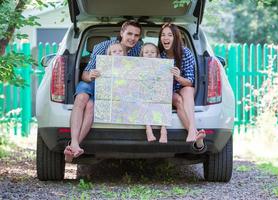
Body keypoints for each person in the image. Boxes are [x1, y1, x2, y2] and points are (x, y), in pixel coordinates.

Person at [64, 20, 142, 162]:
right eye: (129, 33)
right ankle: (74, 144)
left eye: (136, 35)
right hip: (93, 82)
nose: (132, 38)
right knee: (81, 98)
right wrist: (92, 74)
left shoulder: (139, 49)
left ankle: (73, 146)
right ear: (121, 33)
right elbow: (85, 75)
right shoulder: (103, 47)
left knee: (90, 106)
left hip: (114, 89)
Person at [158, 23, 206, 149]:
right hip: (169, 92)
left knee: (188, 90)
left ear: (176, 38)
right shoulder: (160, 56)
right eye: (163, 35)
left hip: (184, 86)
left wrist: (178, 77)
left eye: (170, 35)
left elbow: (190, 82)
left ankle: (192, 131)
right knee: (178, 100)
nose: (165, 38)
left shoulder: (186, 53)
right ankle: (196, 135)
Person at [140, 43, 168, 143]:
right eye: (146, 52)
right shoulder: (138, 66)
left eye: (152, 52)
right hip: (145, 94)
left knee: (164, 104)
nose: (149, 54)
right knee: (144, 105)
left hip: (159, 93)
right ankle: (148, 129)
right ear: (142, 55)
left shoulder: (163, 66)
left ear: (157, 54)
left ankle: (164, 131)